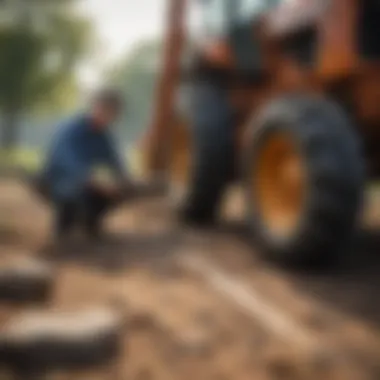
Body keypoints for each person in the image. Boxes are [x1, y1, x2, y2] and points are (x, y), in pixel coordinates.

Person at [37, 89, 131, 240]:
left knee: (119, 189)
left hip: (86, 180)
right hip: (56, 179)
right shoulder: (72, 129)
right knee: (73, 188)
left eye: (113, 112)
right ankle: (63, 229)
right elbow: (66, 161)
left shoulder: (103, 135)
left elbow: (115, 161)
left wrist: (122, 180)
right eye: (106, 109)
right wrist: (93, 180)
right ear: (95, 107)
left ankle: (91, 223)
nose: (109, 116)